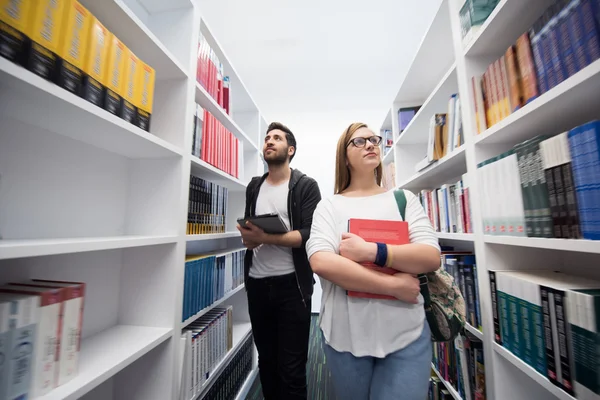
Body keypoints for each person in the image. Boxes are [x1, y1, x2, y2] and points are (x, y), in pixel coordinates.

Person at [306, 122, 441, 400]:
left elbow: (430, 256)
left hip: (407, 336)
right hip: (345, 336)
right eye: (359, 141)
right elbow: (321, 262)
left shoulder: (404, 200)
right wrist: (392, 286)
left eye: (374, 140)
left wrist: (371, 252)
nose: (370, 144)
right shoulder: (329, 206)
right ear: (344, 157)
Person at [237, 122, 321, 400]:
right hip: (258, 285)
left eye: (277, 138)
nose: (269, 142)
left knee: (293, 368)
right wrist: (249, 238)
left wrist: (265, 238)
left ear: (291, 149)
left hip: (292, 288)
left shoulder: (306, 186)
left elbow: (309, 234)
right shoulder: (254, 187)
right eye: (267, 138)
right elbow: (252, 231)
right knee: (267, 362)